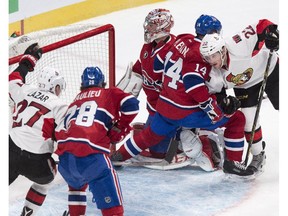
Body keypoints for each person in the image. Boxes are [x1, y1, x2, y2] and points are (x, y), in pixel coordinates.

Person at [111, 22, 254, 177]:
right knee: (236, 118)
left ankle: (119, 156)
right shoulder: (201, 57)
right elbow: (194, 86)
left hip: (164, 104)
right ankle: (232, 162)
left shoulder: (181, 39)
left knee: (150, 135)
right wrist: (217, 112)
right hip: (185, 112)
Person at [117, 10, 222, 171]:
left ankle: (201, 139)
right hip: (157, 107)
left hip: (167, 107)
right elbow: (140, 67)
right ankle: (191, 134)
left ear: (162, 27)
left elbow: (182, 84)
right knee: (152, 143)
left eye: (152, 25)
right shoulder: (148, 46)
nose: (148, 28)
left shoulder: (170, 49)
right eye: (149, 25)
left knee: (158, 150)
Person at [55, 66, 139, 216]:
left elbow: (58, 132)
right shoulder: (109, 93)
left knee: (76, 187)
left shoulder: (74, 103)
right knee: (114, 212)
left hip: (65, 162)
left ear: (82, 85)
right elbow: (132, 106)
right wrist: (119, 127)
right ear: (103, 83)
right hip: (92, 159)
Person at [199, 19, 279, 174]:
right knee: (248, 120)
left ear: (222, 50)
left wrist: (273, 35)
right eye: (206, 57)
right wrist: (225, 102)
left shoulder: (237, 44)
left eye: (213, 56)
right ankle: (258, 154)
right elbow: (218, 93)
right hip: (245, 86)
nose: (210, 61)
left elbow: (262, 24)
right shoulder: (213, 72)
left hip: (270, 71)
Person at [9, 43, 68, 215]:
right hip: (36, 161)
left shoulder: (24, 90)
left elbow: (12, 78)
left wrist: (28, 61)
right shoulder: (60, 105)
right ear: (56, 87)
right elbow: (63, 136)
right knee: (45, 181)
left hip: (10, 150)